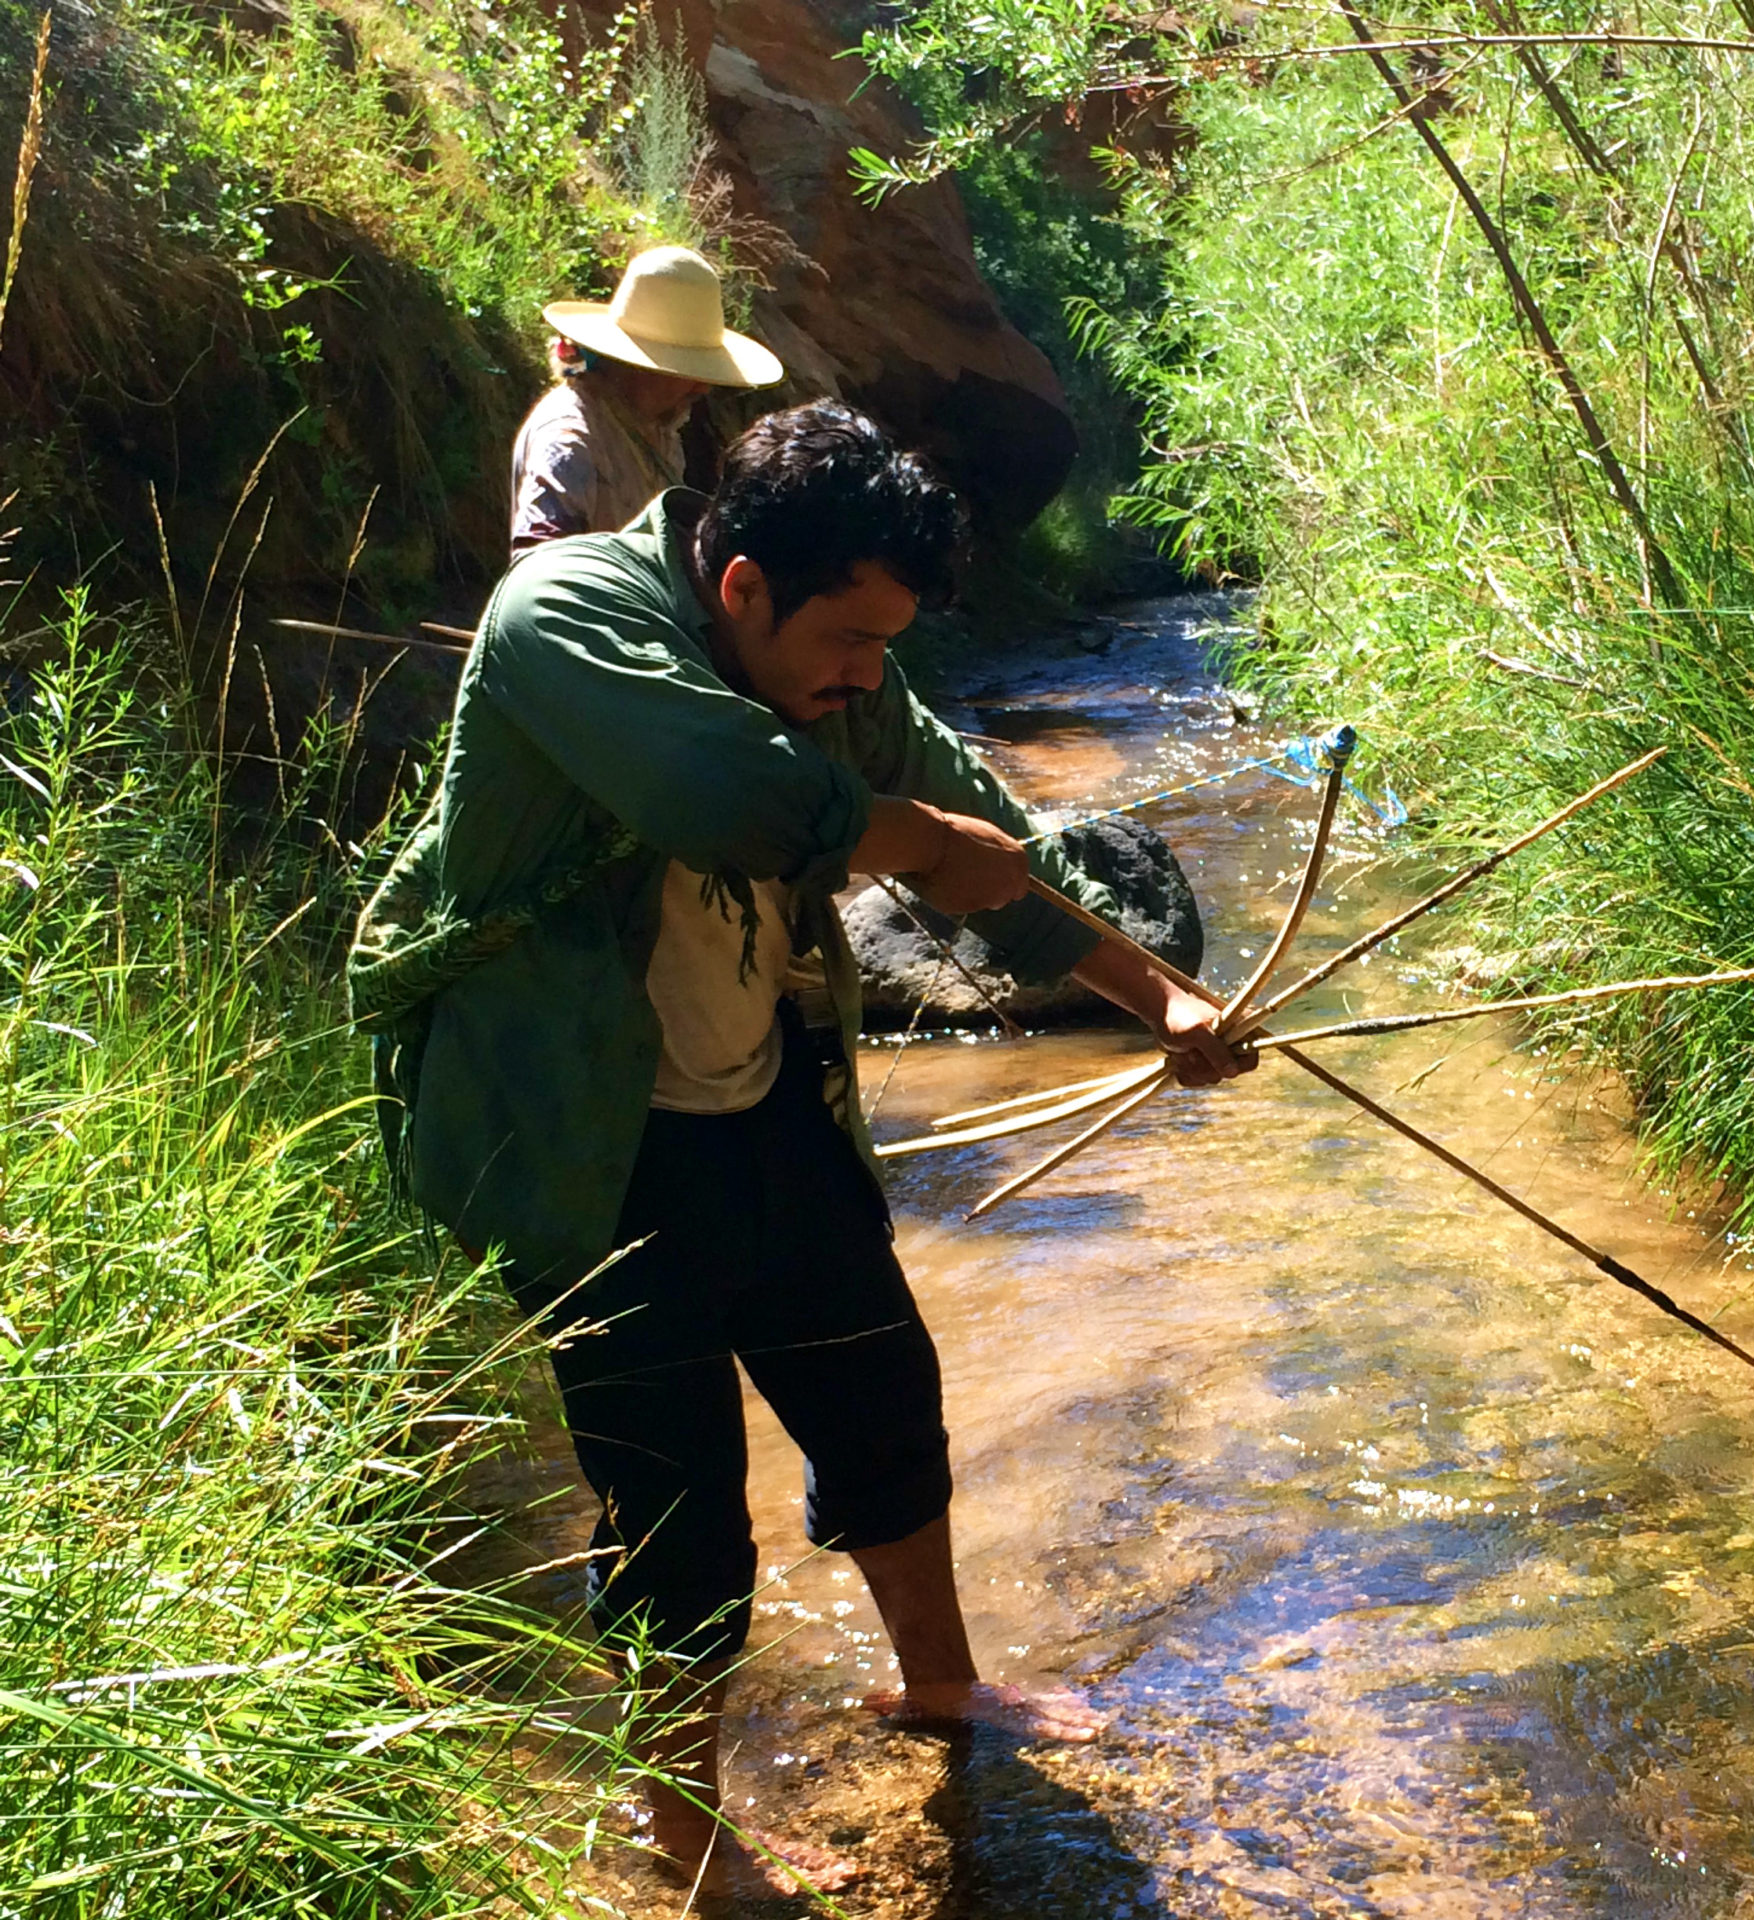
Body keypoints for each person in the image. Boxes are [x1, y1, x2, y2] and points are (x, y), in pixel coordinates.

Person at [350, 401, 1253, 1896]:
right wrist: (913, 844)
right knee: (677, 1509)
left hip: (764, 1102)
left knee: (887, 1401)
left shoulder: (846, 681)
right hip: (587, 1142)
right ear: (741, 585)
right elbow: (725, 799)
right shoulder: (566, 613)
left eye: (890, 646)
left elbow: (985, 850)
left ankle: (942, 1688)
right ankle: (681, 1827)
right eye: (848, 638)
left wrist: (1160, 993)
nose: (865, 676)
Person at [509, 244, 783, 555]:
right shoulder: (570, 441)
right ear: (636, 365)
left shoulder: (657, 430)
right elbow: (539, 568)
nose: (701, 388)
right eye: (686, 371)